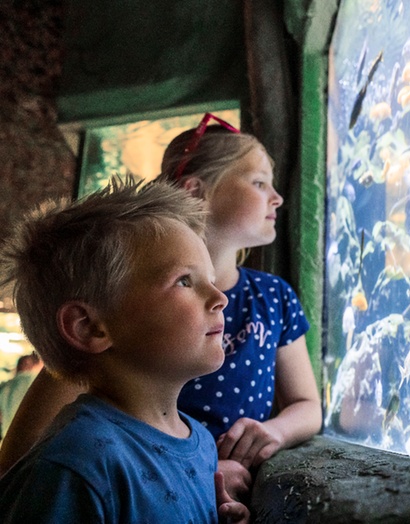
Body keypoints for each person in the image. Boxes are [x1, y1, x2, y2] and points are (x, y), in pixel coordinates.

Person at [0, 114, 322, 502]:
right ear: (195, 190)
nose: (277, 197)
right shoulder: (121, 306)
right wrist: (190, 473)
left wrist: (275, 432)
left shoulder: (273, 296)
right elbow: (21, 458)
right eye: (258, 182)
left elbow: (307, 403)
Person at [0, 179, 247, 522]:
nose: (220, 298)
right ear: (90, 327)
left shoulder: (201, 441)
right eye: (184, 281)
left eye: (210, 279)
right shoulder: (76, 465)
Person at [0, 353, 42, 439]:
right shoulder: (37, 383)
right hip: (32, 440)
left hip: (9, 440)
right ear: (28, 363)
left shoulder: (4, 386)